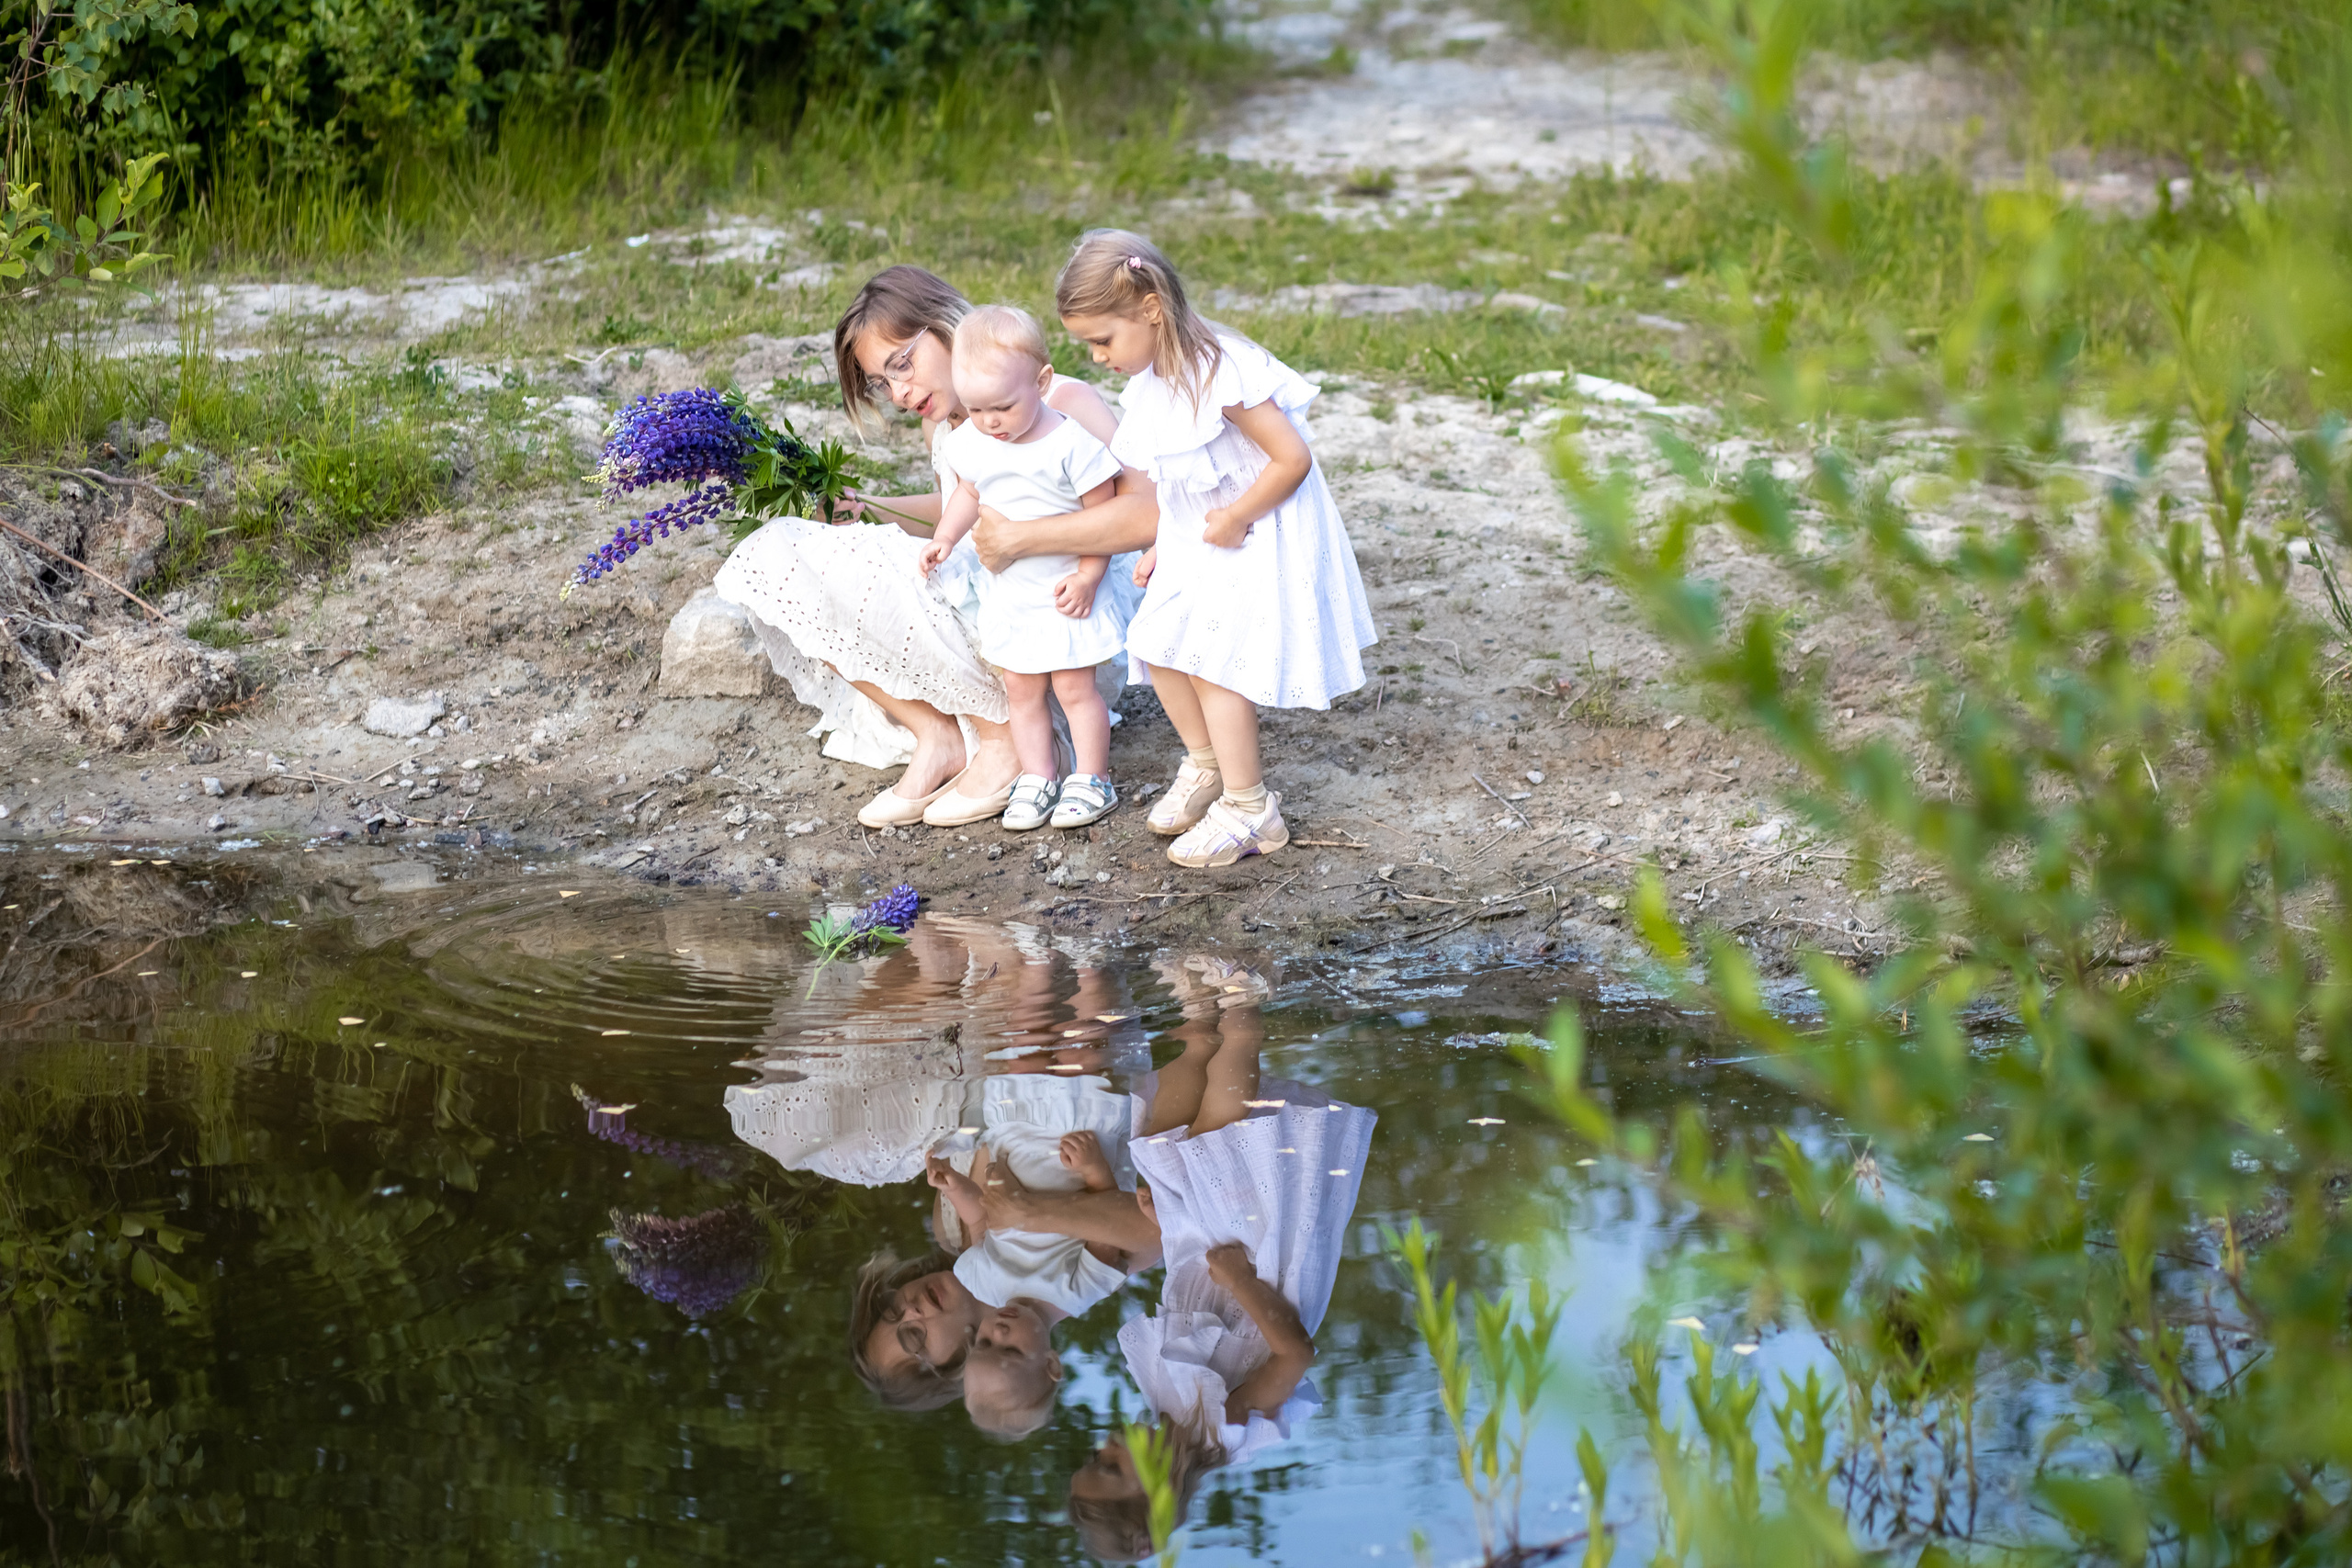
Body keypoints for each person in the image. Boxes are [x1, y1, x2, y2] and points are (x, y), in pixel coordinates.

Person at [712, 265, 1157, 829]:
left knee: (858, 562)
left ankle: (1007, 747)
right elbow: (965, 508)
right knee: (786, 555)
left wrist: (1022, 540)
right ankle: (939, 734)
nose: (898, 393)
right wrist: (867, 508)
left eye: (902, 363)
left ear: (948, 327)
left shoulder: (1062, 401)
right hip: (1003, 605)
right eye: (882, 382)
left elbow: (1144, 513)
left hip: (1066, 618)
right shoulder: (949, 428)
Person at [1056, 231, 1377, 867]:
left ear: (1149, 307)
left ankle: (1251, 807)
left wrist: (1235, 516)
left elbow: (1291, 459)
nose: (1096, 357)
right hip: (1202, 531)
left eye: (1102, 339)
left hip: (1260, 523)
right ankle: (1205, 763)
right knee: (1157, 640)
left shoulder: (1221, 369)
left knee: (1213, 658)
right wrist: (1165, 547)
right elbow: (1181, 476)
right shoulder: (1150, 382)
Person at [1064, 960, 1377, 1558]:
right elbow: (1294, 1351)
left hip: (1201, 1242)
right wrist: (1240, 1277)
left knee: (1159, 1140)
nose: (1104, 1443)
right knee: (1218, 1136)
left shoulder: (1164, 1401)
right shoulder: (1228, 1425)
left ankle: (1198, 1017)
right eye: (1110, 1465)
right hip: (1257, 1255)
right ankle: (1241, 1007)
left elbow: (1183, 1298)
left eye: (1094, 1456)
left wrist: (1168, 1227)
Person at [921, 306, 1128, 830]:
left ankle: (1092, 777)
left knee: (1075, 689)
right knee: (1022, 691)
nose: (990, 422)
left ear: (1042, 381)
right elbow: (969, 490)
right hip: (1012, 593)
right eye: (976, 409)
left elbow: (1104, 518)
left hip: (1065, 589)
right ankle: (1038, 776)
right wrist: (945, 536)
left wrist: (1089, 576)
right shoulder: (974, 440)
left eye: (1003, 407)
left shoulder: (1070, 444)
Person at [929, 1075, 1140, 1438]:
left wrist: (954, 1188)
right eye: (1010, 1350)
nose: (998, 1331)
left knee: (1022, 1057)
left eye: (985, 1344)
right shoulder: (1077, 1293)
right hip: (1075, 1139)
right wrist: (1095, 1169)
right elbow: (1106, 1223)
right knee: (1087, 1057)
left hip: (1014, 1131)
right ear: (1051, 1363)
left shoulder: (984, 1284)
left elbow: (979, 1219)